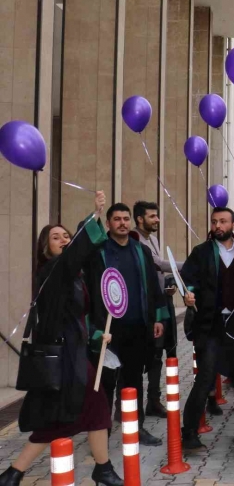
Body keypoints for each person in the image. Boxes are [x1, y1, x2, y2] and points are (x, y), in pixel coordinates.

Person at [0, 193, 124, 486]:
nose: (65, 239)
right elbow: (74, 256)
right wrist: (94, 217)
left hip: (74, 354)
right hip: (63, 358)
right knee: (83, 412)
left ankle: (14, 474)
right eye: (57, 237)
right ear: (46, 248)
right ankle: (101, 469)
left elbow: (77, 317)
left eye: (67, 235)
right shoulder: (51, 271)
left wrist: (97, 334)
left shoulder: (72, 276)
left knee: (75, 415)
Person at [86, 203, 168, 447]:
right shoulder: (98, 252)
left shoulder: (140, 251)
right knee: (106, 384)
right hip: (108, 331)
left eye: (125, 218)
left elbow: (154, 286)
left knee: (133, 382)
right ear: (108, 223)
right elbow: (91, 290)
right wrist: (96, 213)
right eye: (117, 219)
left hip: (137, 326)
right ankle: (102, 434)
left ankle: (136, 428)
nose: (122, 223)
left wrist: (157, 318)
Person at [179, 208, 234, 456]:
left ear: (233, 223)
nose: (218, 225)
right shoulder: (201, 252)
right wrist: (188, 293)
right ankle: (188, 433)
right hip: (209, 324)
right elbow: (187, 279)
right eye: (214, 222)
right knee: (205, 378)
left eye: (223, 221)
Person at [133, 200, 179, 419]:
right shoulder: (135, 240)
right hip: (144, 309)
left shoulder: (153, 238)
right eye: (152, 216)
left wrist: (167, 286)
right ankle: (129, 407)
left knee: (159, 356)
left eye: (157, 216)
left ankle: (153, 400)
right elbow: (159, 264)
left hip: (160, 303)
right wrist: (189, 265)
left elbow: (157, 273)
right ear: (140, 219)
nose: (157, 220)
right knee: (146, 358)